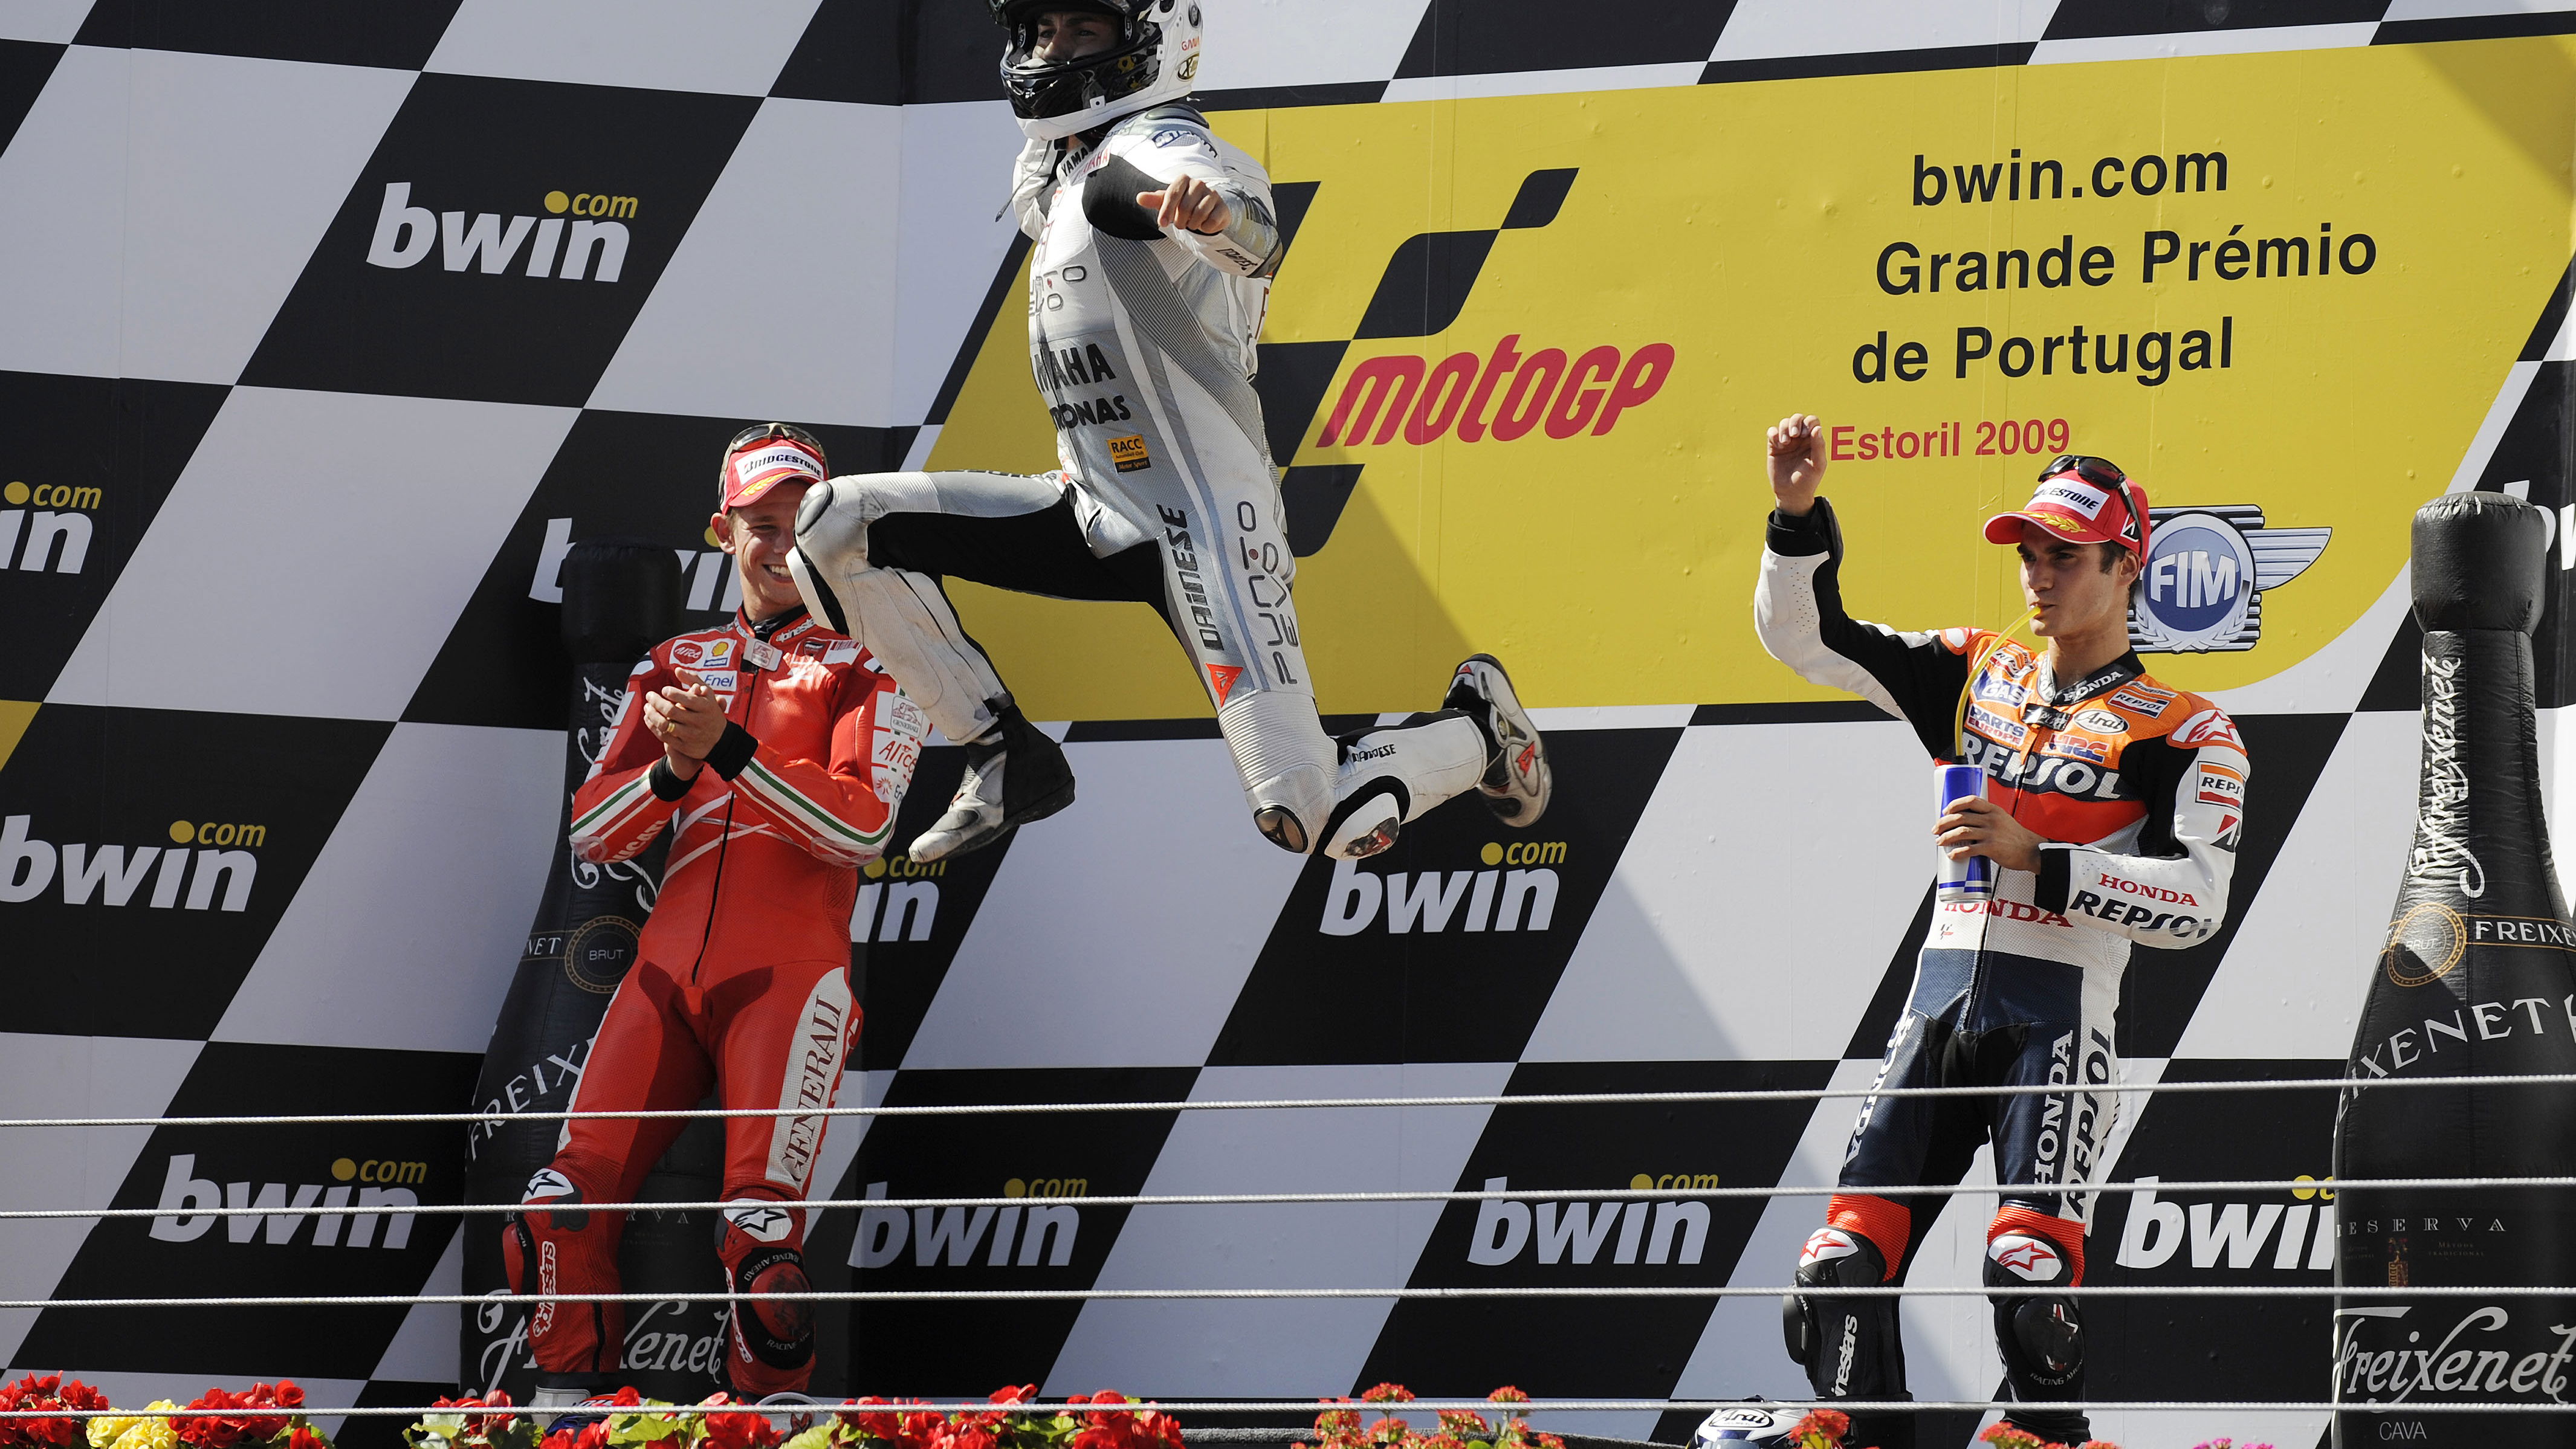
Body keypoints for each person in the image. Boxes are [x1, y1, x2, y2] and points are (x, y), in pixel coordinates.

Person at [783, 0, 1553, 865]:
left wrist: (1216, 219)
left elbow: (1251, 228)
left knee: (1313, 816)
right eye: (1041, 32)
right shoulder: (1061, 169)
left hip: (1206, 528)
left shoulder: (1157, 146)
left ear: (1152, 43)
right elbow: (1045, 180)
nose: (1052, 51)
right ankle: (1006, 756)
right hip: (1090, 510)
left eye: (1082, 31)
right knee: (833, 525)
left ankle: (1478, 729)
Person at [1754, 416, 2251, 1448]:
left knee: (2030, 1289)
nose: (2036, 572)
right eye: (2027, 551)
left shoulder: (2185, 725)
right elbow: (1807, 640)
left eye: (2063, 554)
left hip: (2056, 1019)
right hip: (1936, 1003)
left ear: (2126, 567)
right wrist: (1795, 518)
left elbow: (2196, 902)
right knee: (1834, 1274)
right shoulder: (1976, 672)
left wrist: (2041, 855)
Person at [503, 424, 925, 1407]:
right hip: (662, 975)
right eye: (763, 526)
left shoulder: (876, 659)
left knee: (763, 1237)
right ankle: (570, 1418)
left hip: (790, 977)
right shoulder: (672, 662)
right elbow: (593, 835)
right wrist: (672, 769)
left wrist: (729, 748)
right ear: (721, 531)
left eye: (803, 528)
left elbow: (862, 828)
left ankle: (766, 1424)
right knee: (554, 1206)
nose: (782, 548)